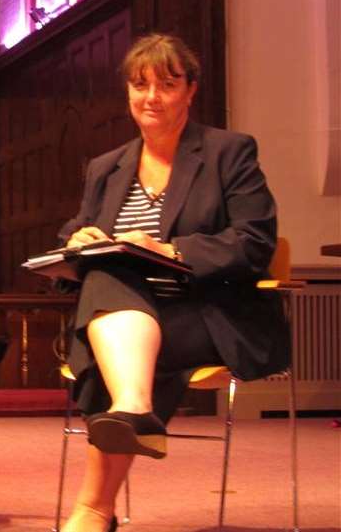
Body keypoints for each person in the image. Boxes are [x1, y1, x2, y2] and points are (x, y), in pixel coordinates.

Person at [57, 33, 289, 532]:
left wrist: (174, 250)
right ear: (127, 92)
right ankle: (133, 408)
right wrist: (82, 238)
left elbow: (254, 240)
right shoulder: (106, 166)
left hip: (206, 312)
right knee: (104, 273)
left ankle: (94, 508)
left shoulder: (229, 152)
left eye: (166, 84)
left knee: (114, 346)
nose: (151, 97)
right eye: (140, 85)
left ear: (191, 90)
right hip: (124, 314)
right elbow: (73, 232)